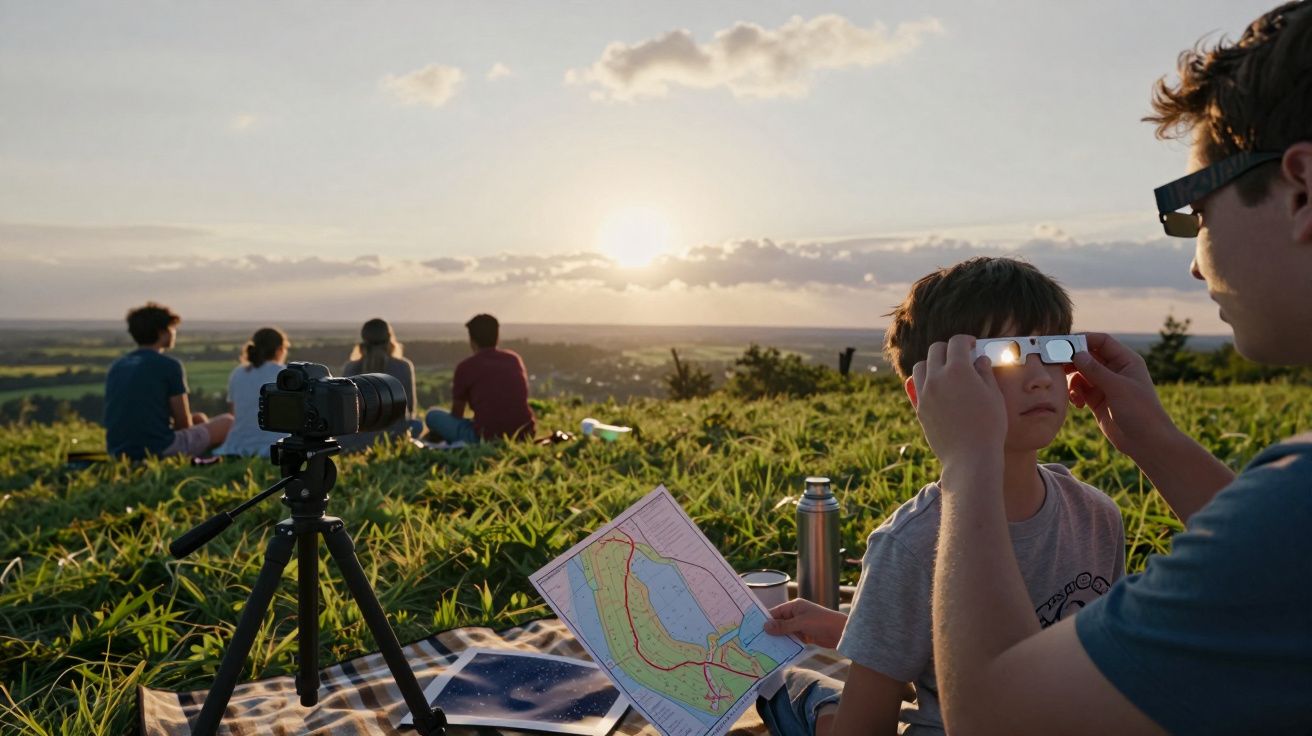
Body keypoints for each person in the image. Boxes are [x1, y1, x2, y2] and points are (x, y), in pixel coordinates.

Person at [913, 4, 1312, 734]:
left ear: (1302, 191)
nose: (1194, 262)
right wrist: (1155, 440)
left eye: (1193, 211)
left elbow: (997, 718)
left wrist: (967, 465)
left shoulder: (1294, 507)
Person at [759, 257, 1125, 736]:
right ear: (926, 392)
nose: (1040, 376)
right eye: (1004, 355)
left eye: (1054, 349)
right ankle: (809, 697)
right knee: (813, 699)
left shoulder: (1096, 515)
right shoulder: (911, 544)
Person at [104, 302, 233, 460]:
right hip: (157, 448)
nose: (174, 332)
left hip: (118, 449)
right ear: (161, 332)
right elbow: (183, 423)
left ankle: (203, 454)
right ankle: (206, 459)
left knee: (199, 418)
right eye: (172, 328)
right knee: (227, 422)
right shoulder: (169, 365)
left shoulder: (118, 365)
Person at [425, 313, 535, 443]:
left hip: (485, 437)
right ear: (497, 337)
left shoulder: (466, 367)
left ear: (472, 340)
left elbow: (457, 414)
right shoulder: (514, 359)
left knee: (432, 416)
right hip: (525, 434)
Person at [339, 318, 419, 451]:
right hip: (392, 438)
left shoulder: (350, 368)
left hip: (352, 441)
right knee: (417, 425)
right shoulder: (404, 367)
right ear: (390, 340)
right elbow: (410, 409)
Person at [214, 327, 289, 458]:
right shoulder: (286, 374)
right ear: (279, 350)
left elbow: (234, 413)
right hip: (275, 446)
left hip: (237, 445)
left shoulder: (238, 373)